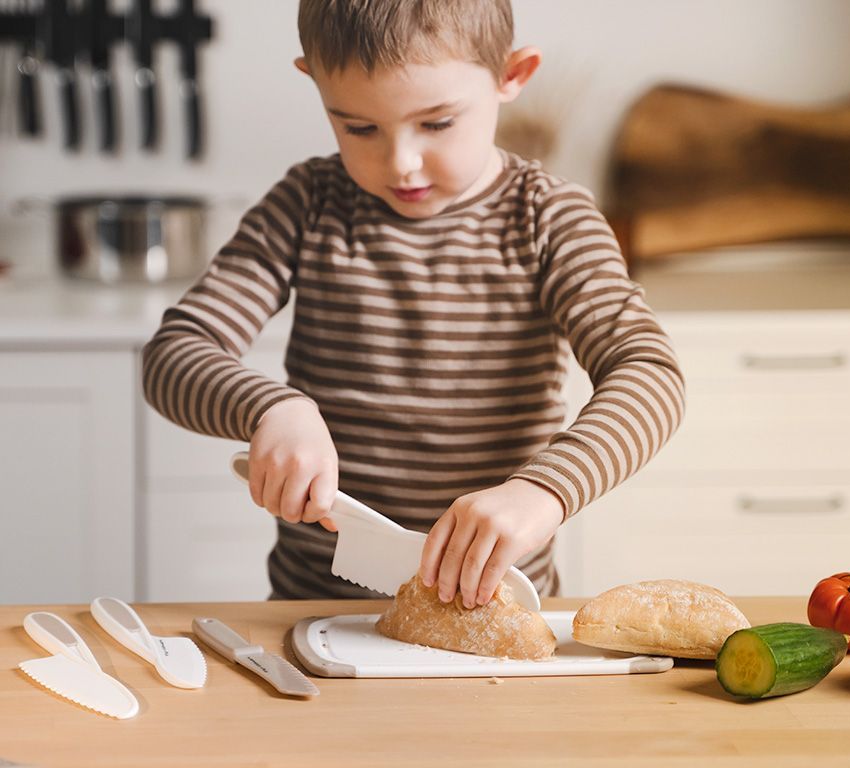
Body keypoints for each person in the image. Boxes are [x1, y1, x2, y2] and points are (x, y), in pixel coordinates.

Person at [142, 0, 685, 608]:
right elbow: (174, 355)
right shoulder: (306, 205)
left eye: (437, 123)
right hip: (315, 611)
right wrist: (269, 408)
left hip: (495, 613)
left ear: (512, 76)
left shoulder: (549, 218)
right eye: (360, 128)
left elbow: (650, 376)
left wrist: (546, 491)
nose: (401, 163)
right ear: (314, 81)